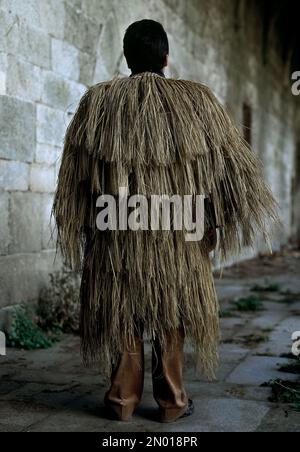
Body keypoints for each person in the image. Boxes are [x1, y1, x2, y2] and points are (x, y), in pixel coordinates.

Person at [53, 19, 278, 423]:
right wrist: (213, 225)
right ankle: (173, 403)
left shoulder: (98, 103)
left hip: (116, 235)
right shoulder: (199, 101)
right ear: (166, 57)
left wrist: (86, 227)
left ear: (126, 57)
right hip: (179, 236)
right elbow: (233, 175)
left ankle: (122, 401)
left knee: (122, 311)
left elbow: (75, 180)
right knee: (172, 312)